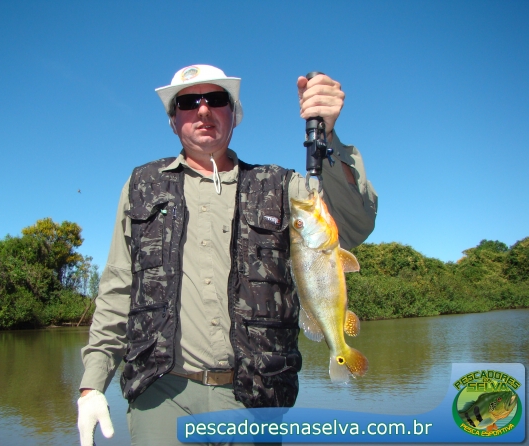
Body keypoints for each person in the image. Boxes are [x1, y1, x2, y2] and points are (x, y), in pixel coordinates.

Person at [77, 64, 377, 445]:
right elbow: (118, 289)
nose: (203, 110)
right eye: (188, 102)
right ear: (173, 120)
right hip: (160, 393)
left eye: (216, 99)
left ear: (233, 114)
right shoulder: (141, 186)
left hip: (255, 396)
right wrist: (92, 384)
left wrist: (328, 137)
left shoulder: (283, 187)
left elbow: (355, 223)